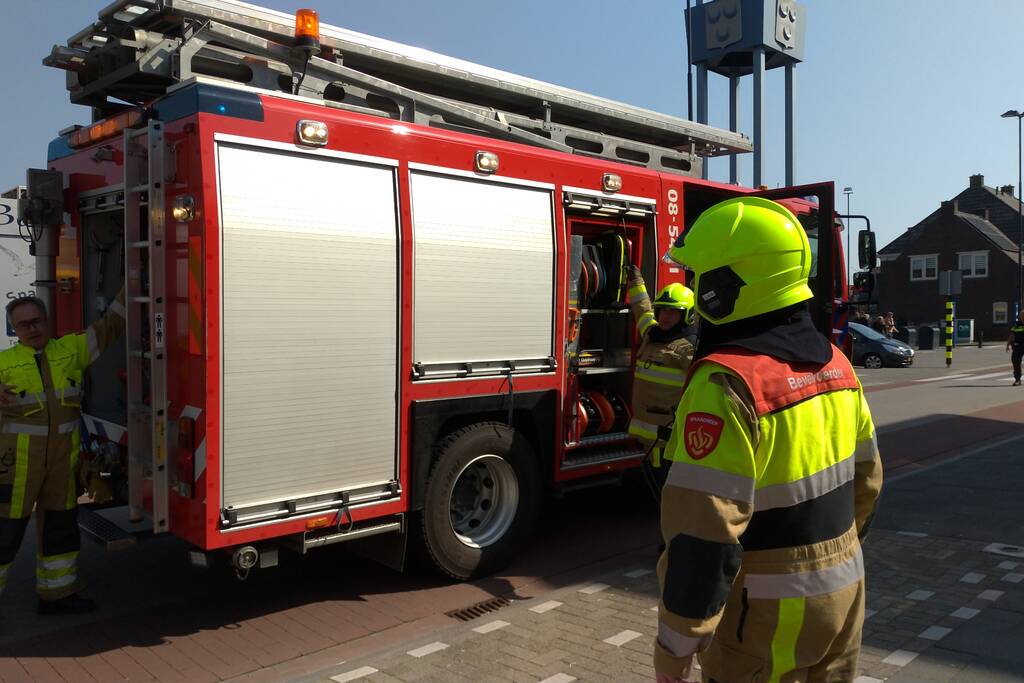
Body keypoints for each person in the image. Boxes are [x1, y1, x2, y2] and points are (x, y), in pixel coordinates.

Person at [654, 197, 883, 683]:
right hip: (844, 597)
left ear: (727, 287)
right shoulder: (838, 366)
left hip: (766, 616)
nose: (693, 291)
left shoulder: (726, 384)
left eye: (700, 277)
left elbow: (705, 536)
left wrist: (675, 645)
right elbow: (867, 485)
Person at [0, 290, 124, 614]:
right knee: (4, 535)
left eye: (36, 321)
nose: (32, 328)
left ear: (46, 320)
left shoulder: (71, 350)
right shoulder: (4, 363)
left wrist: (134, 281)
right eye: (23, 324)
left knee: (60, 532)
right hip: (16, 467)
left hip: (60, 464)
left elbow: (111, 325)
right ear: (14, 328)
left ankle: (57, 596)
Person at [625, 265, 697, 480]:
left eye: (673, 312)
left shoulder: (689, 349)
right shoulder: (652, 333)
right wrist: (635, 281)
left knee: (665, 489)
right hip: (648, 438)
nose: (666, 316)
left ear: (687, 315)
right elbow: (642, 308)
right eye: (663, 310)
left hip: (668, 441)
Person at [1007, 309, 1024, 386]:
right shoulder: (1017, 325)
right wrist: (1008, 344)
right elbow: (1011, 334)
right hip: (1018, 346)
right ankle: (1017, 379)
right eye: (1021, 315)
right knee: (1015, 361)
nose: (1022, 316)